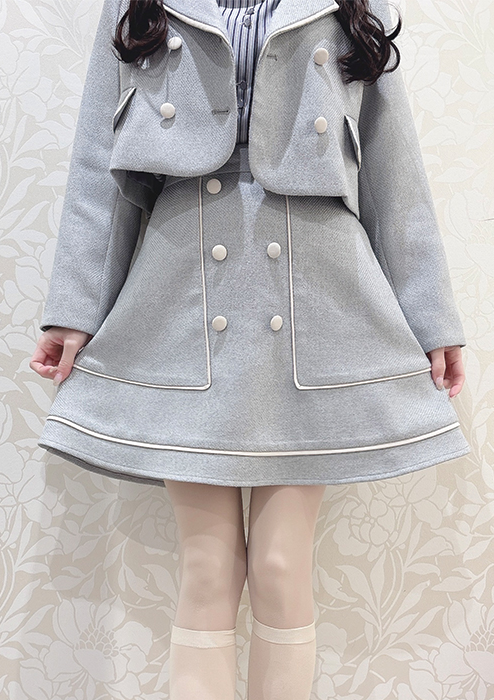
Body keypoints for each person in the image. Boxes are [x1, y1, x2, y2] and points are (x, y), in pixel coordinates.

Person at [30, 0, 470, 697]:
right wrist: (74, 311)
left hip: (316, 294)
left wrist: (431, 317)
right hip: (182, 289)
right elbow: (97, 164)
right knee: (208, 568)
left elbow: (392, 162)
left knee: (280, 566)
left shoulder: (351, 5)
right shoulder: (140, 4)